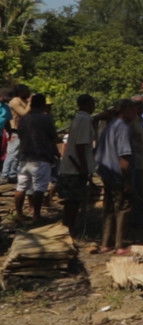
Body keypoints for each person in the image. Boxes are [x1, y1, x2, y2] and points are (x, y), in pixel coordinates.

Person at [96, 100, 134, 254]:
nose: (135, 115)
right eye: (133, 111)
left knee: (109, 207)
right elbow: (124, 156)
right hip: (117, 173)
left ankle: (105, 243)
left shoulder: (109, 126)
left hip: (106, 172)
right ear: (124, 110)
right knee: (123, 207)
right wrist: (127, 180)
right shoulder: (123, 127)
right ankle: (119, 245)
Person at [14, 93, 57, 222]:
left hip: (24, 157)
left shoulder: (23, 119)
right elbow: (53, 137)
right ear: (43, 104)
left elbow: (20, 135)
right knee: (39, 188)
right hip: (41, 157)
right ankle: (36, 215)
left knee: (21, 187)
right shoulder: (46, 119)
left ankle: (19, 213)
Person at [58, 94, 96, 231]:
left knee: (71, 202)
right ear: (87, 104)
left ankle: (68, 227)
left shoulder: (79, 118)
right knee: (73, 201)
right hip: (75, 168)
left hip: (72, 166)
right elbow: (80, 145)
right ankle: (69, 228)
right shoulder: (84, 119)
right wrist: (83, 167)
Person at [127, 95, 143, 227]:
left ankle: (140, 220)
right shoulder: (130, 121)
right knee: (136, 193)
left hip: (141, 162)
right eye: (139, 104)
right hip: (134, 163)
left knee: (140, 193)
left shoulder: (140, 120)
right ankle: (135, 222)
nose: (142, 107)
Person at [2, 84, 32, 183]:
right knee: (12, 153)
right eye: (26, 90)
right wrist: (30, 103)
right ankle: (5, 174)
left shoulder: (24, 101)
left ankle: (12, 174)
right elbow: (23, 113)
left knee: (19, 154)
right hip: (15, 130)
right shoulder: (15, 101)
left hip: (23, 130)